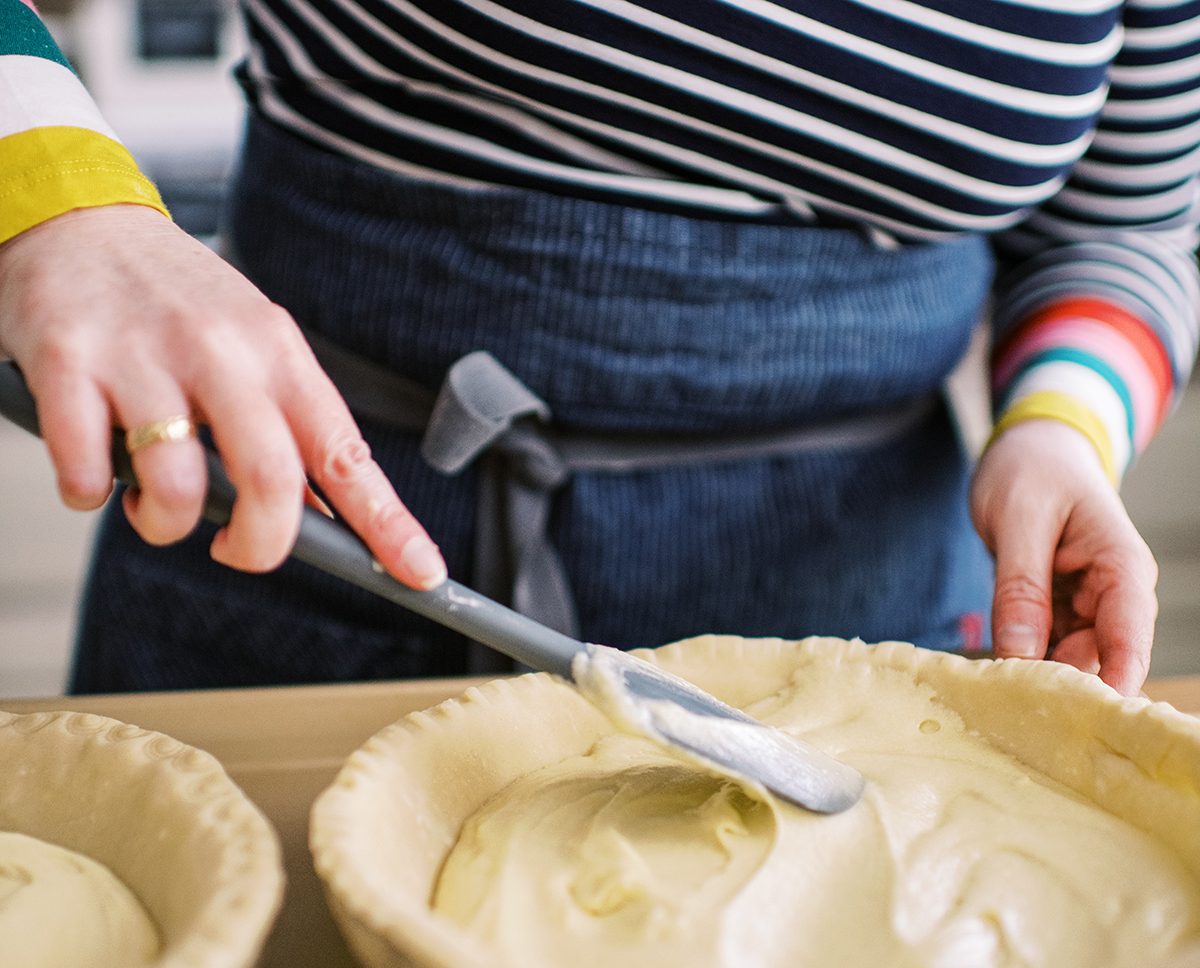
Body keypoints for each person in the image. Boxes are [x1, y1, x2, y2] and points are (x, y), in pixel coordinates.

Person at [0, 0, 1191, 698]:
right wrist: (52, 189)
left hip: (867, 619)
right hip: (302, 545)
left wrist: (1060, 426)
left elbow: (1129, 218)